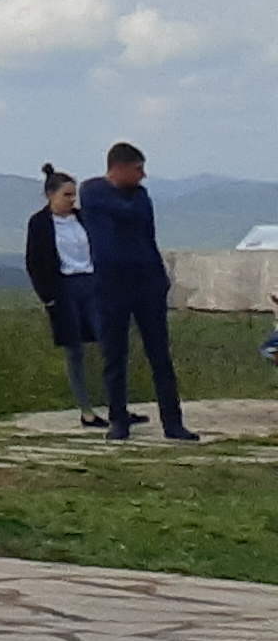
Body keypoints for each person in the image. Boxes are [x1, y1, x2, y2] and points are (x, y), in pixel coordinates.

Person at [75, 142, 202, 442]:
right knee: (114, 355)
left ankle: (173, 422)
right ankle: (118, 420)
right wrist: (122, 208)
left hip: (147, 282)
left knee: (159, 355)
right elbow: (124, 210)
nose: (143, 176)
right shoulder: (92, 190)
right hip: (111, 284)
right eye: (138, 169)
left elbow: (137, 218)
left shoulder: (141, 195)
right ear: (118, 167)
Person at [25, 169, 103, 426]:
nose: (72, 200)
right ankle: (86, 410)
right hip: (64, 288)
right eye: (66, 195)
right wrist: (48, 298)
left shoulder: (84, 219)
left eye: (74, 195)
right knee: (75, 350)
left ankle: (118, 404)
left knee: (109, 343)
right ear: (50, 195)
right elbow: (35, 263)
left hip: (91, 284)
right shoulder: (40, 224)